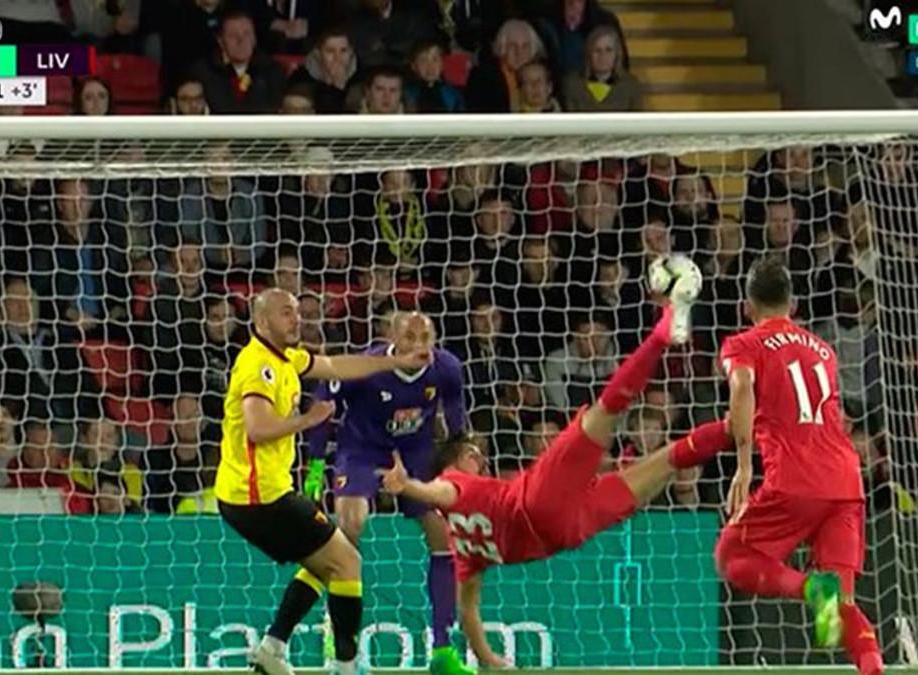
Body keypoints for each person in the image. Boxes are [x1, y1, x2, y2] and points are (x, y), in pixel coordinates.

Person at [379, 261, 726, 667]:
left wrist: (490, 658)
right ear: (457, 462)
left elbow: (467, 606)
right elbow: (440, 490)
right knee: (606, 411)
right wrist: (410, 487)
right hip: (538, 501)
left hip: (565, 532)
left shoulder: (462, 546)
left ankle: (739, 425)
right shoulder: (455, 481)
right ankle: (662, 331)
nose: (480, 457)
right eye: (473, 454)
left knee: (666, 460)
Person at [214, 288, 430, 675]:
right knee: (347, 560)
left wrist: (390, 361)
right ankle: (346, 665)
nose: (296, 319)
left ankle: (272, 647)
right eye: (286, 313)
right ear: (262, 322)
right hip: (258, 497)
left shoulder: (287, 359)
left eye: (296, 312)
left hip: (263, 493)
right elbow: (258, 428)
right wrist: (308, 421)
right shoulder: (257, 366)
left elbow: (335, 366)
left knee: (323, 561)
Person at [716, 257, 883, 675]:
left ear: (747, 306)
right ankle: (873, 666)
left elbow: (740, 386)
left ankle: (811, 585)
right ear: (793, 304)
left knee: (731, 555)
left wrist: (742, 463)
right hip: (846, 480)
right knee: (834, 617)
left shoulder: (744, 344)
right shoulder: (822, 349)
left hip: (795, 478)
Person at [305, 311, 472, 675]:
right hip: (362, 450)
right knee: (350, 524)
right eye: (410, 337)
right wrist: (315, 468)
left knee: (444, 536)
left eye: (426, 337)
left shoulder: (446, 368)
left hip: (416, 453)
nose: (419, 345)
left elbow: (457, 420)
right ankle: (341, 638)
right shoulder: (367, 365)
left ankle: (443, 650)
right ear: (393, 338)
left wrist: (459, 463)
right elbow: (323, 407)